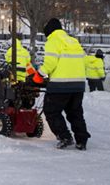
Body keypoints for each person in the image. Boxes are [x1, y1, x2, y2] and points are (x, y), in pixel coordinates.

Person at [35, 18, 90, 150]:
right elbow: (85, 62)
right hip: (78, 85)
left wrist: (40, 74)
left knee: (51, 111)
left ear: (49, 30)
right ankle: (81, 141)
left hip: (60, 85)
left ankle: (64, 136)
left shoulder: (53, 41)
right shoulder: (73, 41)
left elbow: (50, 63)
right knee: (75, 113)